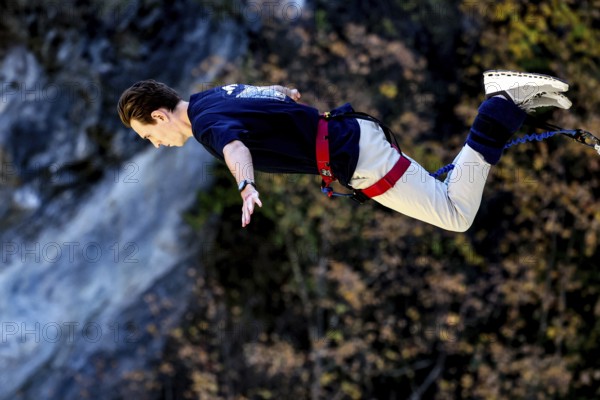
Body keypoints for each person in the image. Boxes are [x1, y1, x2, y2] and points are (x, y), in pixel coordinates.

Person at [117, 71, 571, 230]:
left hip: (358, 161)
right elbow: (272, 91)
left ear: (158, 116)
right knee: (446, 191)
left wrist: (247, 184)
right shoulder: (211, 96)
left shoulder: (205, 125)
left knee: (455, 214)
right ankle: (516, 102)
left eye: (148, 135)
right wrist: (287, 94)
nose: (156, 145)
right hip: (352, 134)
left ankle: (501, 103)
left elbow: (234, 146)